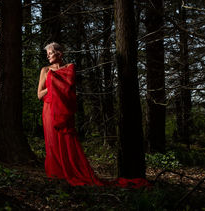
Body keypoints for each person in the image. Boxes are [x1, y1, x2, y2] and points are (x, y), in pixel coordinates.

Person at [38, 42, 150, 188]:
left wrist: (55, 83)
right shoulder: (45, 70)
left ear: (60, 53)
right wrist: (51, 86)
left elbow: (69, 87)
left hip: (65, 111)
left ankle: (71, 171)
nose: (48, 56)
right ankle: (56, 174)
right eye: (47, 54)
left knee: (68, 141)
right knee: (53, 142)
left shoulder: (69, 67)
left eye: (50, 53)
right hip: (49, 110)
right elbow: (40, 94)